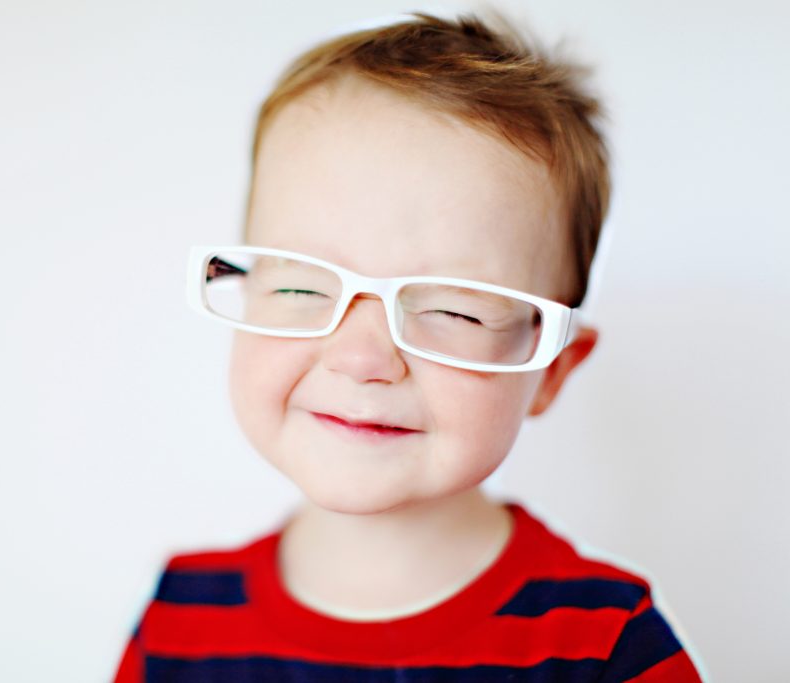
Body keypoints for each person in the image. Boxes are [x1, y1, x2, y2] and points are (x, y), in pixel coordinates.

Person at [114, 11, 704, 682]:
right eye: (303, 288)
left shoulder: (604, 643)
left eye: (452, 307)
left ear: (551, 370)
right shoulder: (180, 622)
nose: (362, 357)